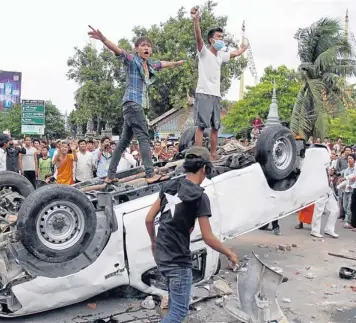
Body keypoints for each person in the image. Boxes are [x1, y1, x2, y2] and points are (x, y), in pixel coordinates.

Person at [145, 146, 238, 322]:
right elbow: (208, 237)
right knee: (178, 312)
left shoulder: (170, 185)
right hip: (178, 260)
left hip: (162, 255)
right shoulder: (200, 197)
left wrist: (153, 242)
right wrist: (230, 253)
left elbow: (149, 219)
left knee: (174, 302)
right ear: (204, 168)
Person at [88, 25, 185, 184]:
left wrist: (177, 63)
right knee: (144, 138)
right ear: (137, 49)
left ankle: (110, 175)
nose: (147, 48)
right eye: (143, 46)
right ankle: (150, 174)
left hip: (131, 106)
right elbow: (118, 51)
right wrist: (103, 39)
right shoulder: (133, 61)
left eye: (149, 46)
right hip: (133, 104)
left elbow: (163, 63)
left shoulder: (151, 64)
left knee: (124, 142)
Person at [191, 6, 248, 160]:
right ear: (211, 39)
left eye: (223, 37)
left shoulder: (221, 56)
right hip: (203, 93)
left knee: (215, 127)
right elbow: (198, 38)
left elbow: (234, 53)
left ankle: (213, 154)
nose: (221, 40)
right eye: (218, 37)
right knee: (201, 126)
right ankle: (198, 155)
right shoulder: (203, 52)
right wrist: (196, 20)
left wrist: (243, 49)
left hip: (216, 95)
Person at [337, 154, 356, 228]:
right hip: (346, 190)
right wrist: (339, 185)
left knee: (349, 206)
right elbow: (345, 180)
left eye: (351, 158)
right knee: (344, 206)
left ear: (354, 160)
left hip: (353, 190)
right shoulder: (347, 169)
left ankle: (349, 222)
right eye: (348, 158)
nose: (349, 160)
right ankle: (348, 219)